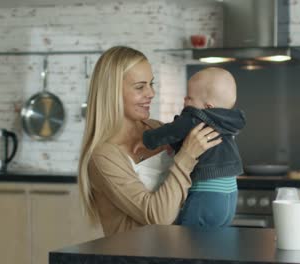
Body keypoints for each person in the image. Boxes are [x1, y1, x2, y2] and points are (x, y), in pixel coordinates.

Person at [77, 46, 222, 236]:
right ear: (111, 93)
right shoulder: (103, 156)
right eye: (140, 87)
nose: (151, 93)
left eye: (151, 84)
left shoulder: (157, 128)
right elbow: (157, 217)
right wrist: (187, 155)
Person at [140, 67, 246, 227]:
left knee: (186, 239)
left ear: (208, 106)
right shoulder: (228, 122)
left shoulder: (196, 117)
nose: (185, 100)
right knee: (211, 245)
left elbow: (173, 130)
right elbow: (190, 138)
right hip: (230, 196)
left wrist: (148, 138)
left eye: (189, 98)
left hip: (207, 194)